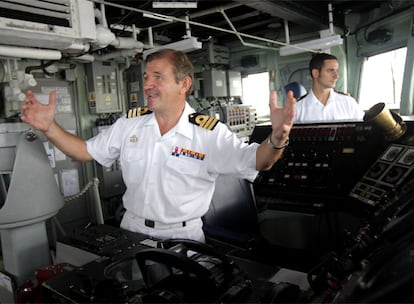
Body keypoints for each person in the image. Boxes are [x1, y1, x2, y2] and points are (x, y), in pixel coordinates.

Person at [20, 49, 295, 242]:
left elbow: (259, 161)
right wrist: (49, 127)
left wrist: (277, 138)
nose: (147, 85)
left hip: (182, 237)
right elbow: (84, 151)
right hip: (131, 230)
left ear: (183, 84)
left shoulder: (208, 133)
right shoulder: (130, 124)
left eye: (158, 77)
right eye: (146, 77)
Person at [294, 52, 364, 123]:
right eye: (331, 71)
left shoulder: (349, 103)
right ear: (315, 73)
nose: (336, 76)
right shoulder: (298, 108)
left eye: (336, 71)